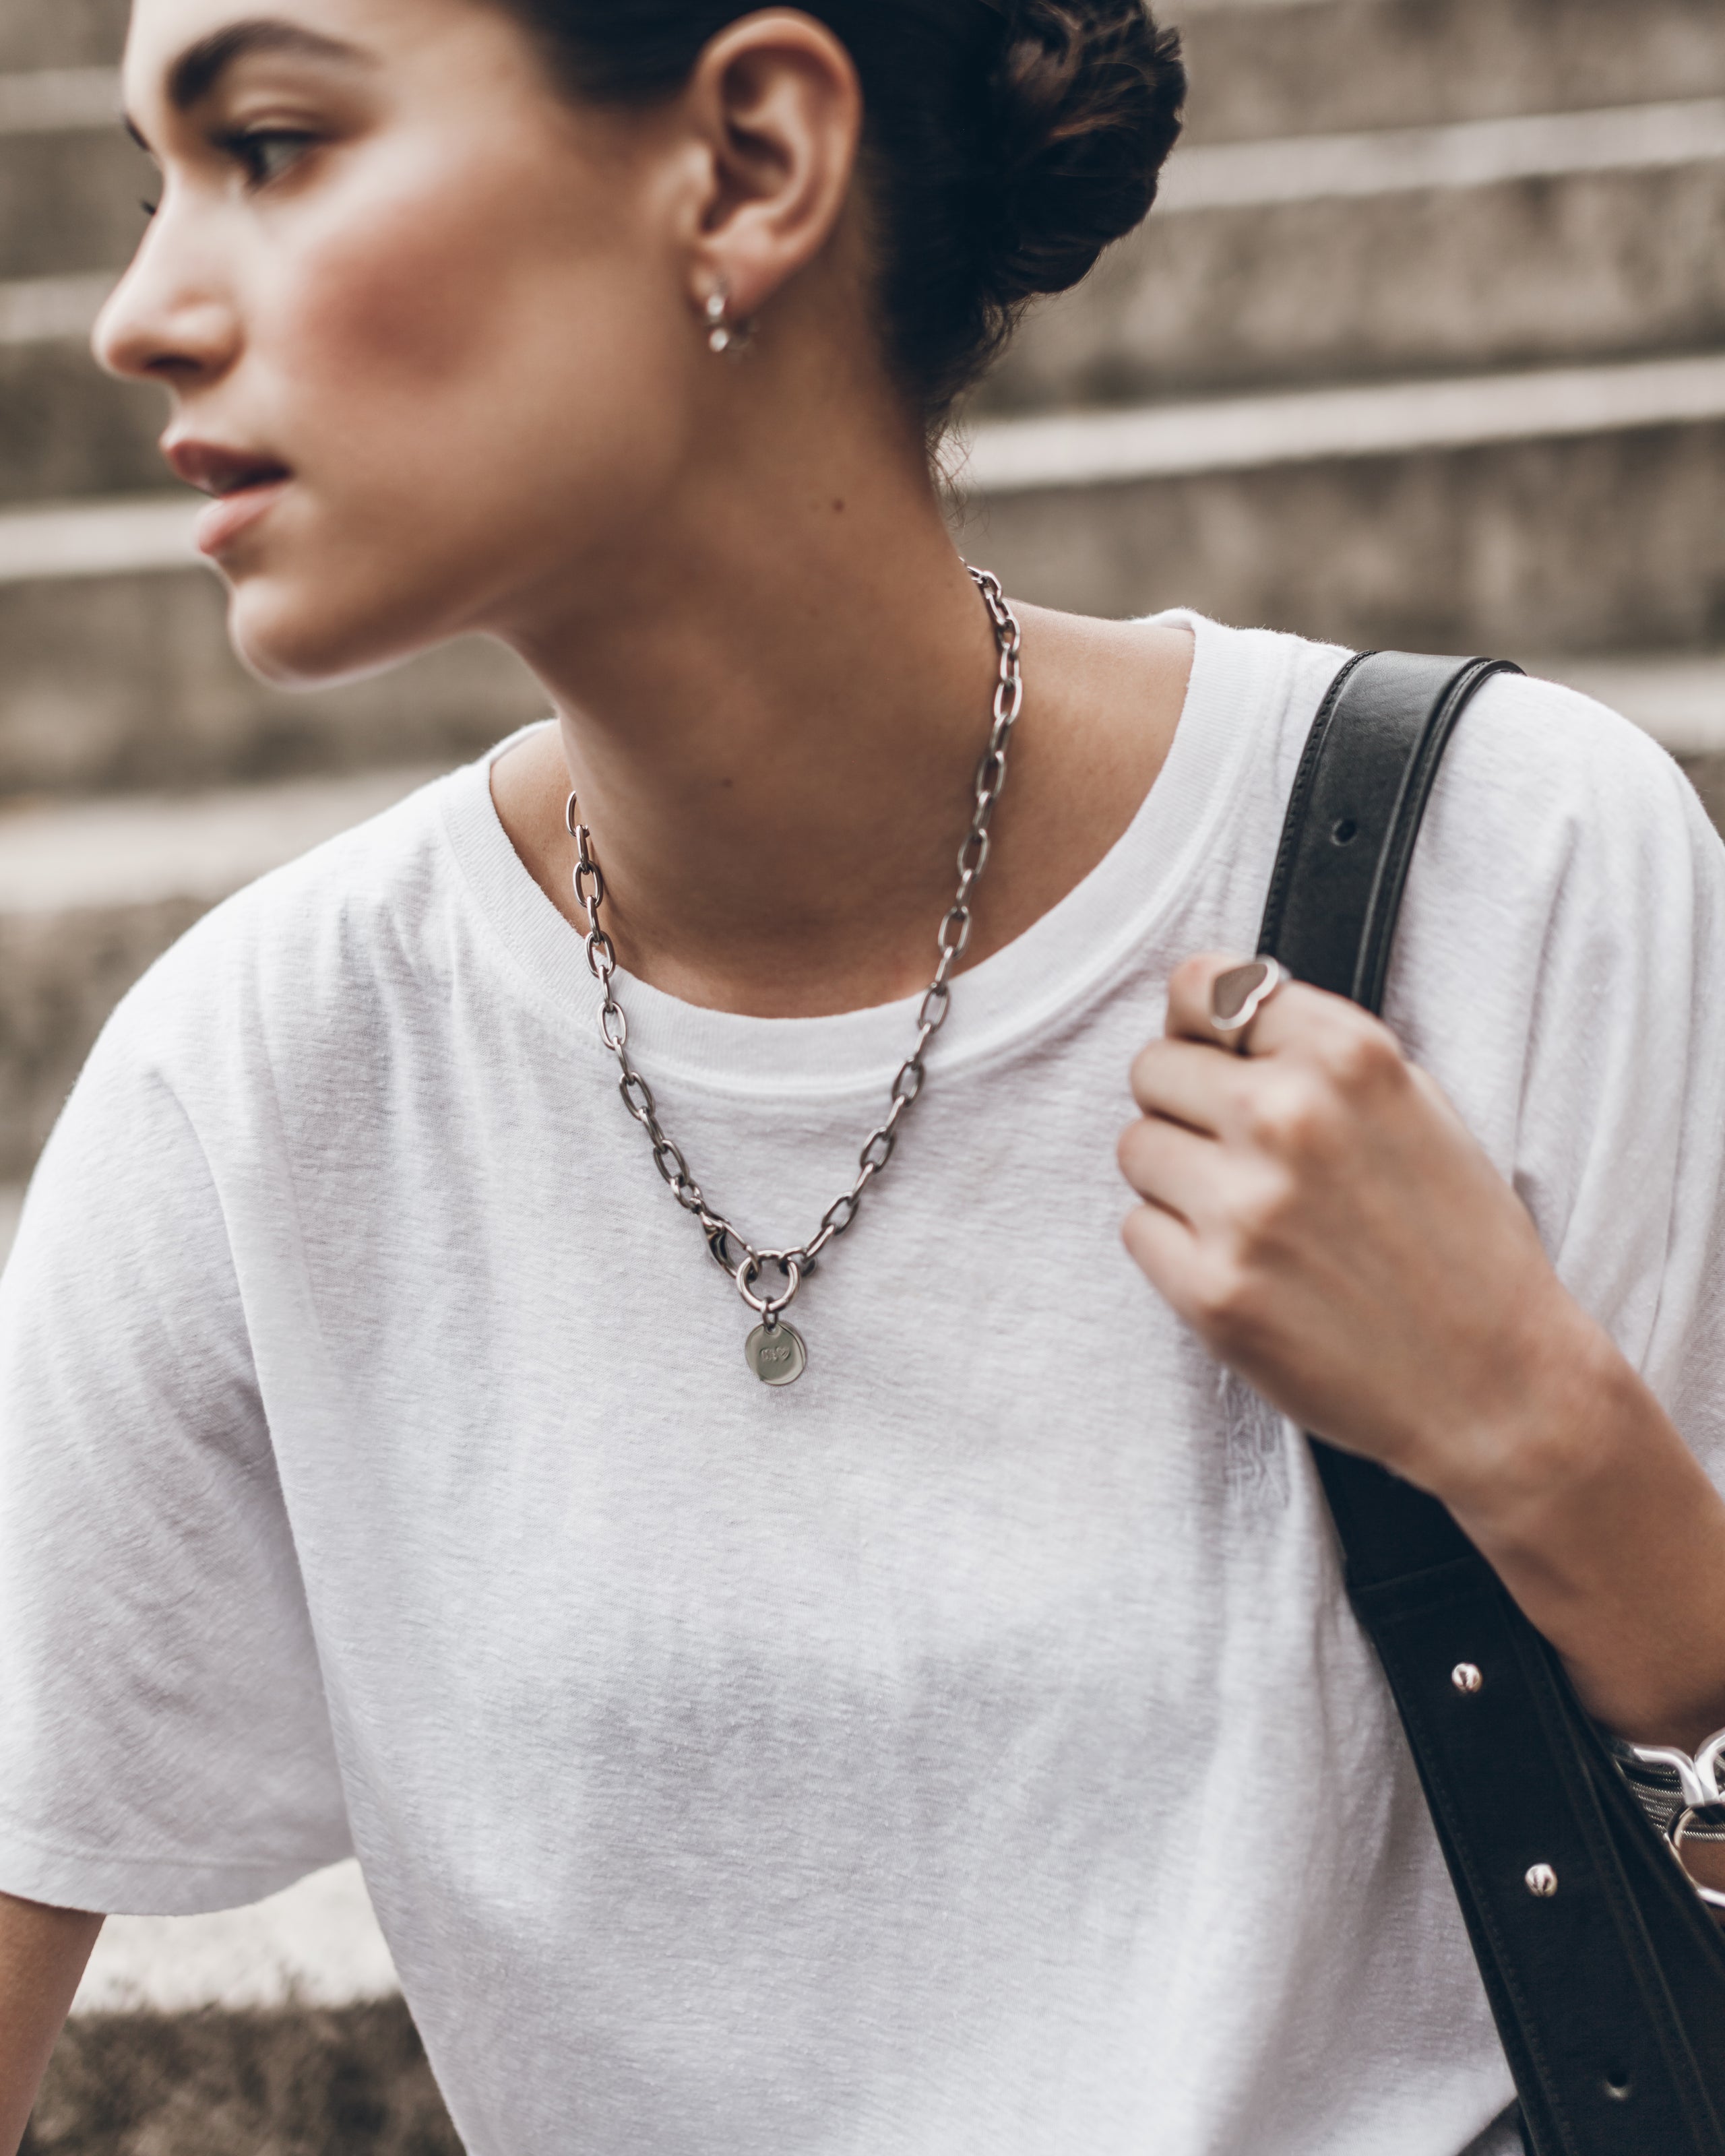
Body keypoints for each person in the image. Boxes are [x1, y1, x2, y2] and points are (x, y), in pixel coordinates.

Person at [3, 1, 1724, 2150]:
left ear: (747, 162)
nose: (140, 312)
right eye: (146, 184)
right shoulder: (255, 1089)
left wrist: (1547, 1442)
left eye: (268, 145)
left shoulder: (1507, 871)